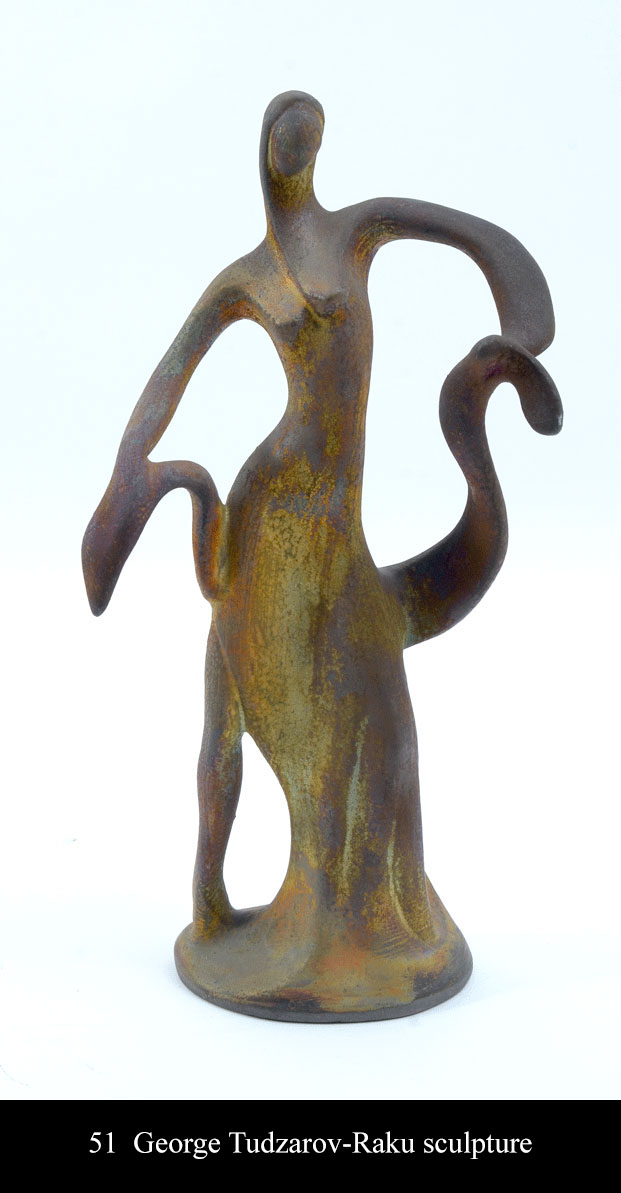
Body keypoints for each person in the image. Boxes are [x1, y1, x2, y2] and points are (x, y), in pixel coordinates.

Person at [83, 92, 562, 1021]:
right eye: (283, 139)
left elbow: (482, 240)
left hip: (336, 523)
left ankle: (359, 914)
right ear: (266, 156)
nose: (296, 148)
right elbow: (166, 377)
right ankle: (256, 913)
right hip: (280, 510)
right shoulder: (245, 279)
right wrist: (124, 474)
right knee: (269, 709)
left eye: (305, 137)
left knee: (373, 711)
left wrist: (521, 328)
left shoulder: (358, 230)